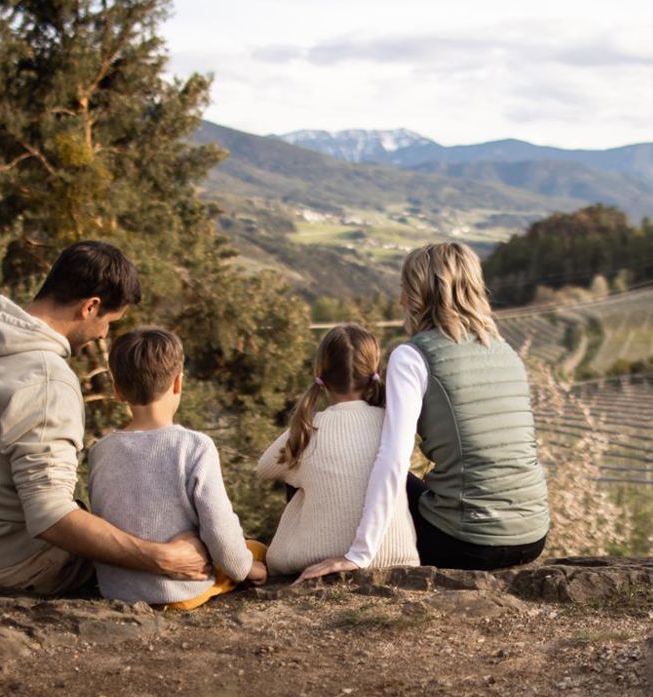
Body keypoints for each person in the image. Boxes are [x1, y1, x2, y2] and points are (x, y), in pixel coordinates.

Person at [0, 241, 209, 594]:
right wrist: (162, 557)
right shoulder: (46, 378)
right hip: (9, 569)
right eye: (109, 322)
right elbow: (50, 516)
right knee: (167, 566)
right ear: (91, 306)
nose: (104, 335)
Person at [299, 242, 550, 581]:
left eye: (405, 287)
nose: (401, 298)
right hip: (533, 536)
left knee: (339, 465)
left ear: (420, 292)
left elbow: (393, 459)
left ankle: (298, 548)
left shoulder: (413, 356)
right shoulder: (506, 351)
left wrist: (360, 554)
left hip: (467, 543)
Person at [88, 326, 267, 610]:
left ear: (117, 391)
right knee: (254, 549)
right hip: (181, 591)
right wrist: (248, 570)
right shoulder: (195, 446)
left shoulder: (100, 452)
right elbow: (219, 527)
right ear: (178, 383)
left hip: (117, 590)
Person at [255, 324, 419, 576]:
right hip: (396, 555)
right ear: (374, 370)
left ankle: (317, 536)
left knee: (294, 468)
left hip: (314, 555)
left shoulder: (310, 428)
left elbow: (264, 469)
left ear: (321, 373)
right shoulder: (391, 423)